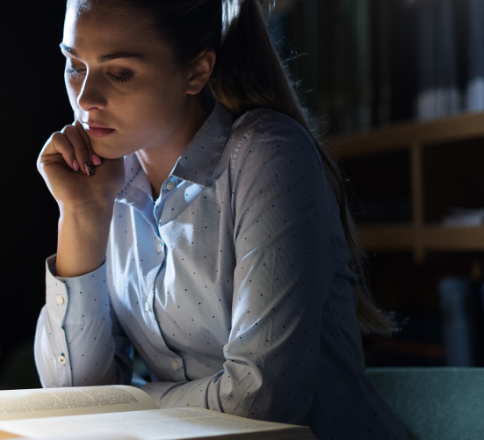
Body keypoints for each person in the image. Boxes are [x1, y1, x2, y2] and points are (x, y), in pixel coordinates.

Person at [33, 0, 407, 438]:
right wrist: (82, 214)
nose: (85, 99)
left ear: (196, 72)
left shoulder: (267, 155)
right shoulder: (107, 180)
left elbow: (262, 402)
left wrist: (123, 399)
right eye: (74, 66)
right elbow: (73, 397)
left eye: (119, 73)